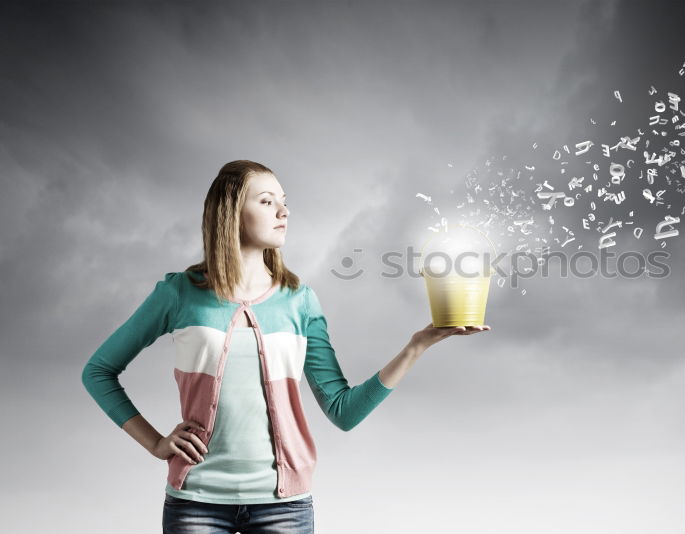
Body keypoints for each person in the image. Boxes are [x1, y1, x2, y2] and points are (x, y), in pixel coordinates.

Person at [81, 160, 490, 533]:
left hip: (285, 508)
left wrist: (416, 346)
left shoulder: (300, 300)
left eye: (284, 202)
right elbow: (98, 371)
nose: (284, 211)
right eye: (266, 201)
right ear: (230, 213)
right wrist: (155, 442)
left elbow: (343, 412)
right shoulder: (180, 294)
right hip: (196, 504)